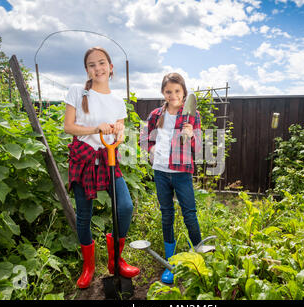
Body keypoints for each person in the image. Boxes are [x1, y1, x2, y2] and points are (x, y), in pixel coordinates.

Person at [64, 46, 139, 289]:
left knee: (125, 206)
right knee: (84, 215)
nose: (98, 68)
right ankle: (88, 267)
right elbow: (69, 127)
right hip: (84, 158)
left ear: (111, 67)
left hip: (108, 157)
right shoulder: (78, 91)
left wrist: (117, 131)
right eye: (92, 65)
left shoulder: (118, 101)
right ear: (87, 69)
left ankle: (115, 261)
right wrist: (97, 128)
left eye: (102, 63)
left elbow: (120, 132)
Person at [139, 72, 202, 284]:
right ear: (163, 93)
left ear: (184, 92)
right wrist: (151, 147)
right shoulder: (156, 115)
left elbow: (199, 147)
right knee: (167, 215)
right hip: (161, 172)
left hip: (182, 172)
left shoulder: (192, 116)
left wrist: (191, 135)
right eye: (168, 91)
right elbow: (144, 138)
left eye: (177, 91)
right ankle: (171, 262)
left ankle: (200, 259)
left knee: (190, 214)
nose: (173, 94)